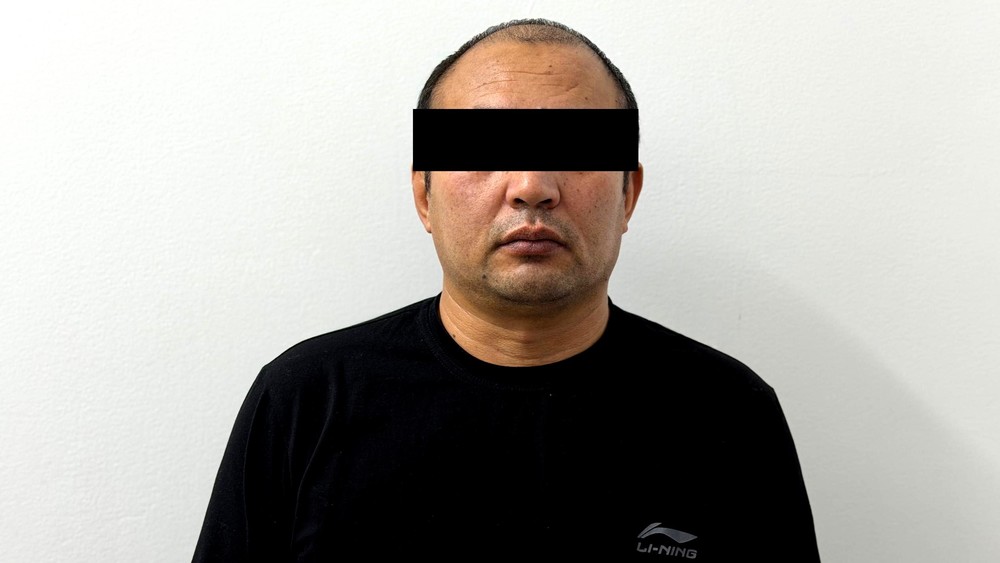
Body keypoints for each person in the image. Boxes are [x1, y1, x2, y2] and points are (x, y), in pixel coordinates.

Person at [192, 18, 821, 562]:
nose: (532, 187)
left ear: (628, 194)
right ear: (424, 196)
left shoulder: (728, 413)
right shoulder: (306, 399)